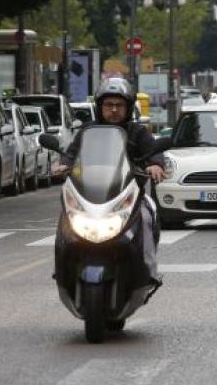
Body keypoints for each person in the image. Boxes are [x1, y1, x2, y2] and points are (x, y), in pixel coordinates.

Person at [52, 78, 165, 287]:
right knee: (66, 219)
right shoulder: (87, 131)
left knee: (149, 215)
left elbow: (154, 153)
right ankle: (62, 268)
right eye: (108, 105)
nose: (114, 110)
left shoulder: (138, 132)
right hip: (90, 195)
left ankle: (148, 269)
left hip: (128, 196)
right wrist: (63, 164)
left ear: (129, 108)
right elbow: (71, 154)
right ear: (100, 107)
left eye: (119, 105)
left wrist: (155, 164)